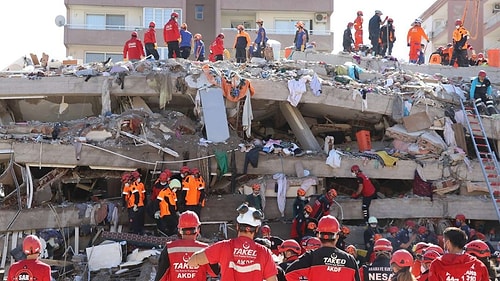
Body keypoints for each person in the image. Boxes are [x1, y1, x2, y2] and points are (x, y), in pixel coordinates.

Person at [187, 203, 278, 281]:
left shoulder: (224, 246)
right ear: (257, 228)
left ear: (237, 226)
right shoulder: (264, 252)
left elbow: (193, 261)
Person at [285, 215, 361, 281]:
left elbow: (289, 273)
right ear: (337, 236)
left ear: (318, 235)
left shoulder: (311, 257)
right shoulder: (350, 260)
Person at [154, 211, 220, 281]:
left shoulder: (169, 248)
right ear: (198, 230)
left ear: (179, 230)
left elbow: (160, 278)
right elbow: (215, 272)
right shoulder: (205, 249)